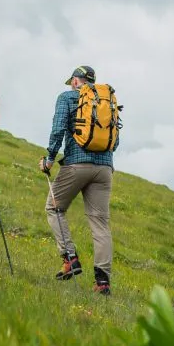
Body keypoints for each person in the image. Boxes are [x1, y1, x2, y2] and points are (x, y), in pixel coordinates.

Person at [40, 65, 118, 295]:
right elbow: (115, 139)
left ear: (76, 81)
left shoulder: (67, 97)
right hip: (104, 168)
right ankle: (103, 282)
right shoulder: (107, 102)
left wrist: (50, 158)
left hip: (76, 163)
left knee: (54, 208)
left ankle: (70, 258)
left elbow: (58, 128)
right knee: (100, 224)